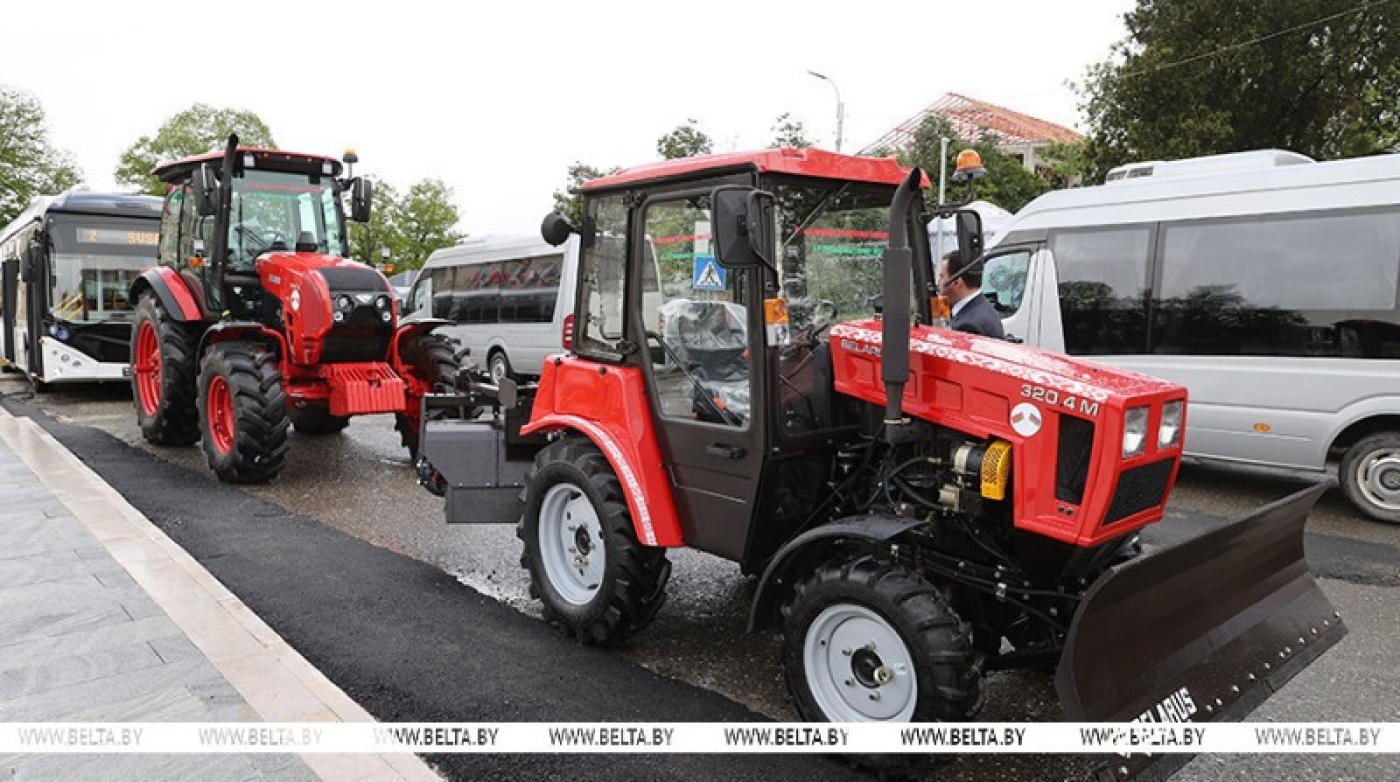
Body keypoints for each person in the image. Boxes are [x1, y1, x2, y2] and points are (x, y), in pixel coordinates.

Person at [938, 250, 1005, 339]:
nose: (938, 282)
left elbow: (939, 333)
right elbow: (941, 320)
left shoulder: (968, 326)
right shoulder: (980, 306)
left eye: (941, 277)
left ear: (957, 283)